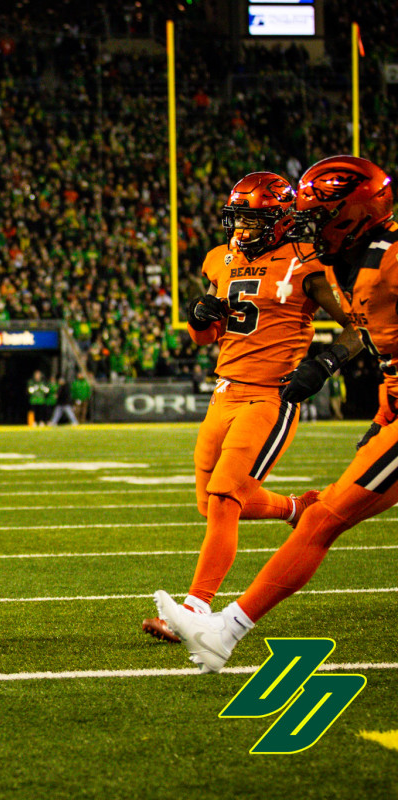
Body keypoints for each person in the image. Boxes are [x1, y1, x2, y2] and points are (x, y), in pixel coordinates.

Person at [154, 156, 393, 672]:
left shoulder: (310, 262)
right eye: (238, 219)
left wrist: (325, 362)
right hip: (223, 392)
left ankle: (196, 607)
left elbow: (358, 331)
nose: (242, 229)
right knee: (211, 500)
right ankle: (296, 508)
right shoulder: (222, 258)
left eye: (254, 221)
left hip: (269, 395)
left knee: (224, 499)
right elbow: (206, 337)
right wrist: (200, 321)